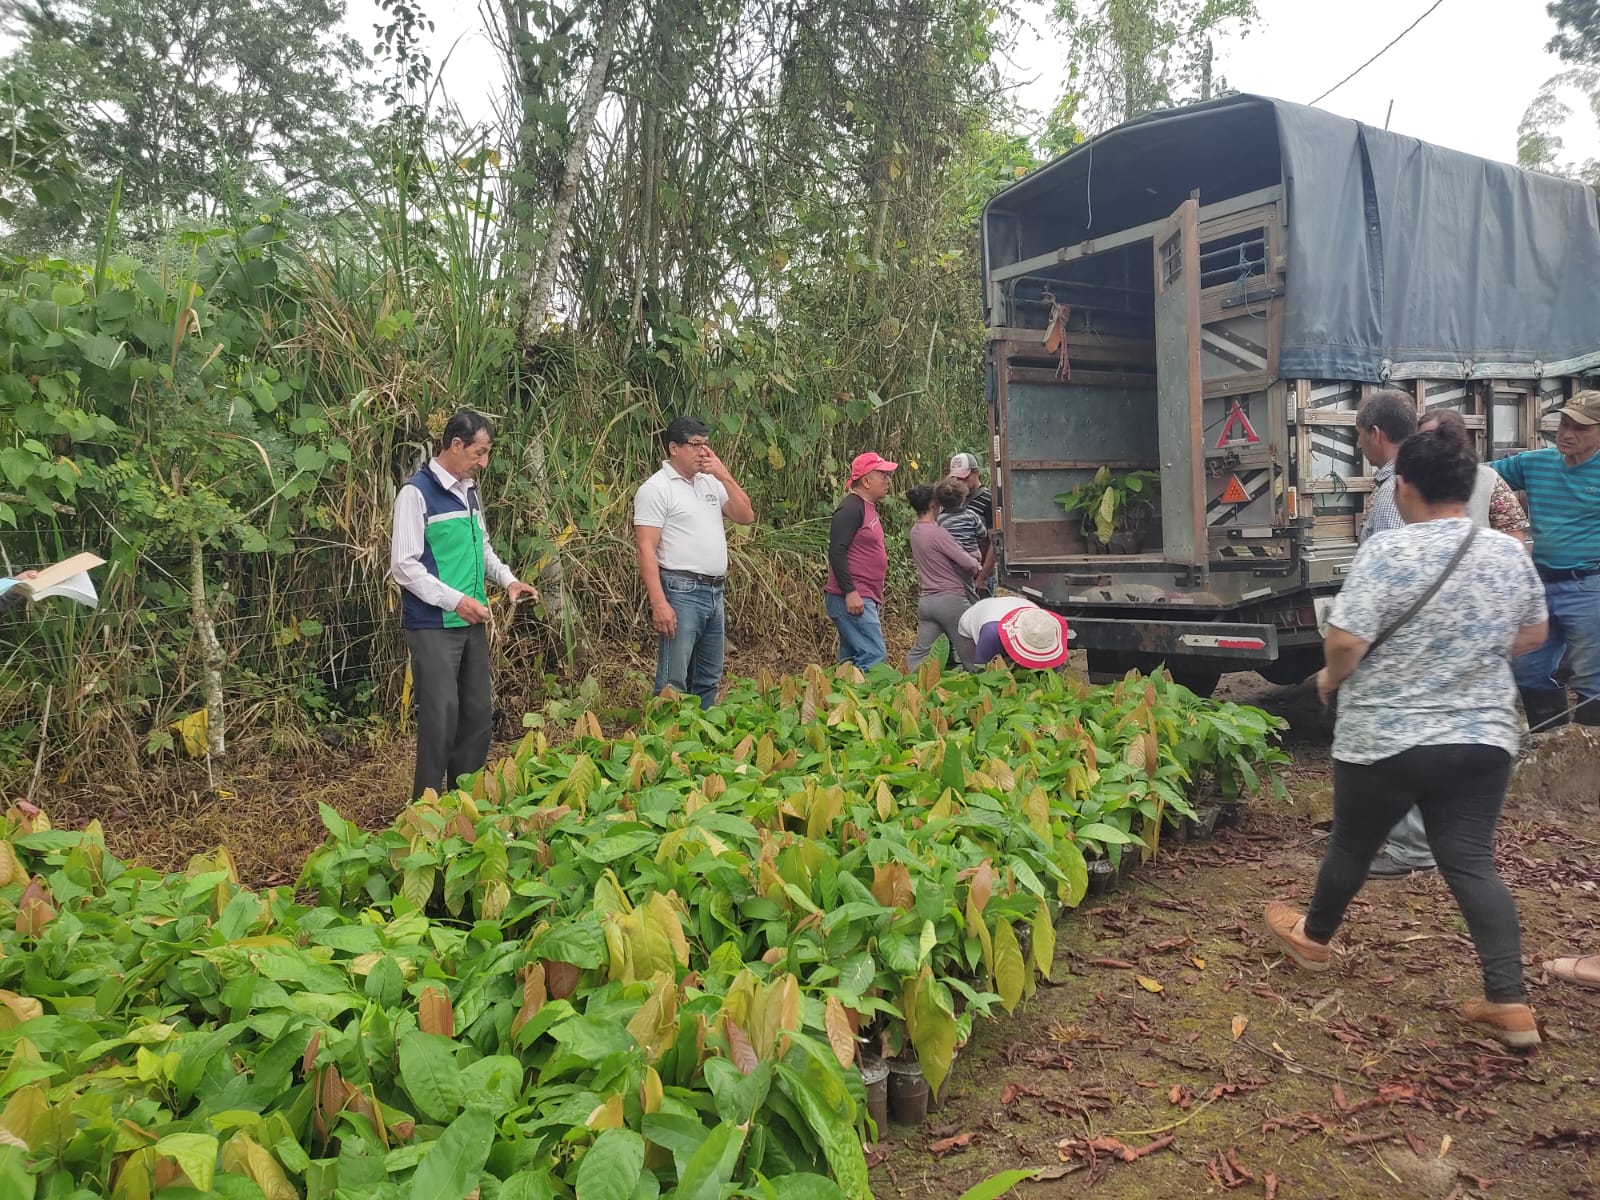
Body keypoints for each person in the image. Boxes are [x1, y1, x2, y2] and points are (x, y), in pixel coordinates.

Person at [1265, 429, 1549, 1049]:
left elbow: (1346, 642)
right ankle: (1509, 1001)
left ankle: (1313, 940)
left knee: (1353, 845)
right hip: (1482, 738)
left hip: (1386, 737)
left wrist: (1330, 678)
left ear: (1405, 487)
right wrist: (1470, 654)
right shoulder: (1506, 552)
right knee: (1470, 862)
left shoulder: (1388, 551)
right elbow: (1533, 634)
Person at [392, 409, 539, 800]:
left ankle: (465, 803)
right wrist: (455, 601)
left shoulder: (468, 489)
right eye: (479, 452)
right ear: (455, 445)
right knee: (441, 718)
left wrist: (508, 580)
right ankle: (425, 809)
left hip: (471, 623)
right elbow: (404, 566)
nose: (483, 463)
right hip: (434, 625)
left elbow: (482, 547)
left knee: (476, 717)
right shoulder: (416, 494)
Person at [1353, 388, 1431, 877]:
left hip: (1395, 638)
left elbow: (1386, 578)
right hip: (1422, 634)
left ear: (1376, 433)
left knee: (1397, 740)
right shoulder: (1423, 477)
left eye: (1360, 435)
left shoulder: (1392, 493)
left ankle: (1409, 847)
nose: (1360, 444)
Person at [1490, 390, 1600, 729]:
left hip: (1589, 586)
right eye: (1564, 424)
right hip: (1540, 583)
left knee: (1592, 677)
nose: (1567, 433)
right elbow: (1479, 476)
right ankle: (1550, 744)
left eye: (1580, 428)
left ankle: (1589, 752)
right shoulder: (1535, 463)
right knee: (1529, 668)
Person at [633, 416, 756, 708]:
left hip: (715, 591)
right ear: (674, 448)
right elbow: (645, 548)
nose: (703, 452)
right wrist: (659, 603)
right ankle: (665, 732)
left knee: (708, 676)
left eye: (706, 445)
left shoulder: (709, 482)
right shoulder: (656, 488)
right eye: (695, 445)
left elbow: (746, 516)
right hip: (681, 589)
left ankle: (699, 731)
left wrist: (724, 475)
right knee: (673, 679)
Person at [825, 452, 898, 669]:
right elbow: (837, 551)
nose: (888, 480)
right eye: (883, 475)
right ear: (866, 481)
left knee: (849, 663)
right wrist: (850, 591)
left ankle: (844, 690)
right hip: (853, 596)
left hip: (864, 595)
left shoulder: (865, 506)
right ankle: (867, 692)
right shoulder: (851, 508)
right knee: (874, 656)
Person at [1415, 409, 1529, 545]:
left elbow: (1512, 534)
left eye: (1437, 438)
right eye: (1423, 438)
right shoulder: (1408, 479)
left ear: (1459, 439)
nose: (1428, 444)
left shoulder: (1487, 478)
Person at [905, 483, 982, 671]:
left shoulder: (915, 531)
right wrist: (977, 564)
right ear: (933, 504)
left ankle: (907, 681)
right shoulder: (937, 533)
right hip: (950, 601)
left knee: (920, 653)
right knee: (972, 654)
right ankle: (984, 685)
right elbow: (965, 561)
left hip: (927, 602)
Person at [957, 595, 1070, 671]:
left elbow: (1053, 666)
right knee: (976, 670)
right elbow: (981, 670)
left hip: (1015, 606)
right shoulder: (991, 634)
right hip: (974, 618)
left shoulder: (1048, 625)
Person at [935, 476, 989, 601]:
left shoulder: (941, 519)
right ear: (963, 497)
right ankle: (975, 602)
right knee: (969, 585)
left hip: (953, 560)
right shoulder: (971, 515)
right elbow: (982, 534)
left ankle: (970, 603)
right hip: (973, 555)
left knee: (963, 586)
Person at [949, 452, 995, 595]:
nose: (959, 482)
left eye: (964, 478)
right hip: (955, 577)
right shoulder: (952, 499)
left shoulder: (988, 500)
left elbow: (995, 542)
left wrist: (982, 577)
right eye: (955, 478)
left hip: (979, 576)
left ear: (976, 473)